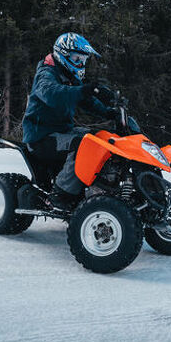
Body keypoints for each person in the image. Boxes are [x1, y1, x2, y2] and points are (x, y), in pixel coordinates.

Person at [21, 32, 115, 210]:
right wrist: (86, 90)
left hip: (61, 132)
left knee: (100, 139)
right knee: (82, 144)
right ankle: (61, 196)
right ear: (62, 54)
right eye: (76, 58)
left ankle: (99, 188)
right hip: (41, 136)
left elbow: (86, 101)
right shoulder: (46, 73)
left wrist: (110, 112)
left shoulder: (68, 76)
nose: (80, 64)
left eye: (83, 60)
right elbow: (53, 94)